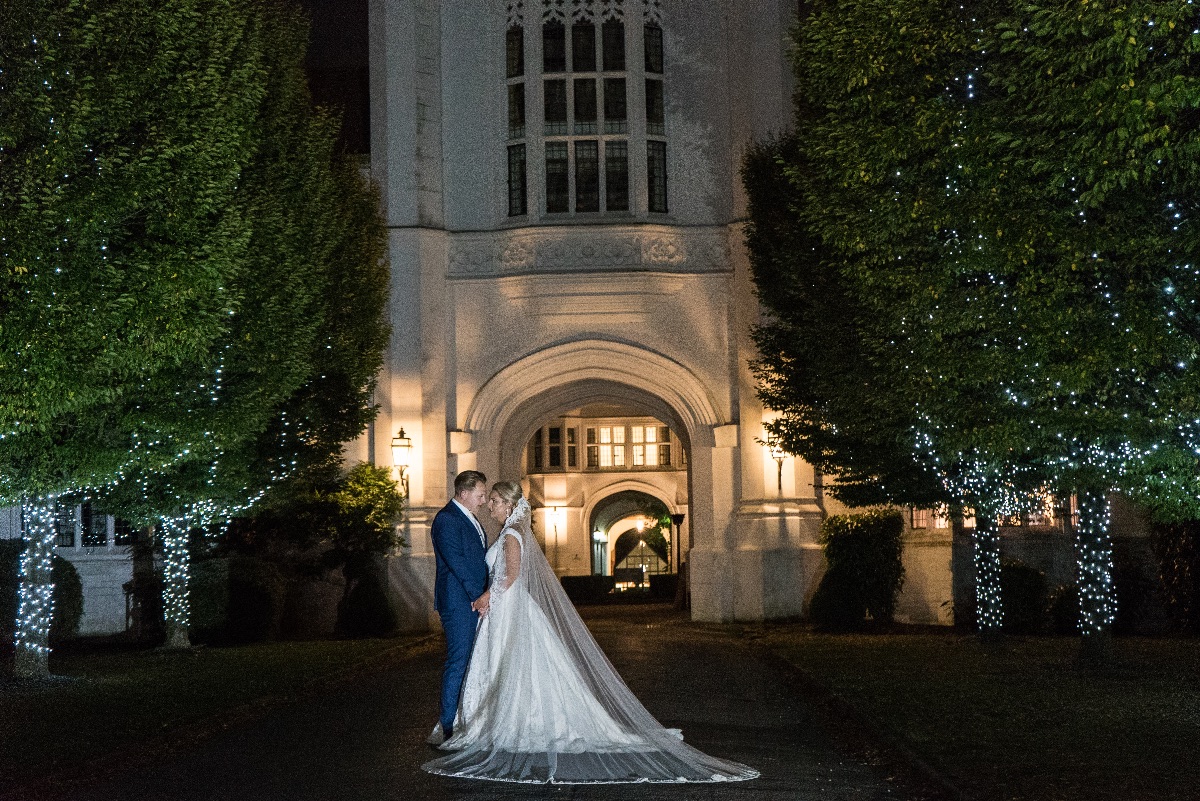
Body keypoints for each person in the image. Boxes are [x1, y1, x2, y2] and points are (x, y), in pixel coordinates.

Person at [422, 480, 759, 785]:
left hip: (505, 607)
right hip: (503, 609)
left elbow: (509, 577)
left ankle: (504, 722)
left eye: (493, 500)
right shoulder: (504, 531)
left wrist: (484, 597)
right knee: (504, 667)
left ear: (508, 506)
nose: (488, 505)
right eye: (487, 499)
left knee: (510, 666)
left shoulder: (510, 535)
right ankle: (477, 721)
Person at [428, 470, 490, 746]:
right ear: (464, 493)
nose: (484, 499)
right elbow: (456, 561)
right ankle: (446, 724)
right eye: (480, 494)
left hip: (472, 599)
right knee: (458, 660)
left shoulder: (468, 517)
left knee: (472, 661)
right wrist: (479, 596)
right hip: (458, 601)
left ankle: (465, 717)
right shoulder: (447, 520)